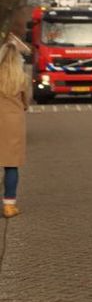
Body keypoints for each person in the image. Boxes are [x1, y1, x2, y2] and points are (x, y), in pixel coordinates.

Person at [1, 35, 31, 219]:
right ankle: (9, 206)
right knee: (11, 166)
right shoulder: (22, 78)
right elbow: (25, 102)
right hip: (13, 123)